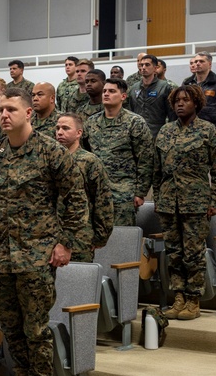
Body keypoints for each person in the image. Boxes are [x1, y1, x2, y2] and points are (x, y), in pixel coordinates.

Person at [0, 88, 90, 376]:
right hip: (2, 253)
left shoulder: (51, 152)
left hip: (37, 252)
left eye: (11, 109)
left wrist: (65, 243)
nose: (3, 115)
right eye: (0, 109)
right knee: (10, 326)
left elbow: (75, 200)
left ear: (29, 114)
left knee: (36, 327)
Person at [154, 85, 216, 321]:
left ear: (196, 103)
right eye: (176, 101)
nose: (180, 104)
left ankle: (194, 299)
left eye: (185, 100)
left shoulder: (208, 131)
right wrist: (157, 197)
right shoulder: (164, 132)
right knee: (173, 253)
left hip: (195, 202)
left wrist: (215, 201)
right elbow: (157, 170)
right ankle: (179, 297)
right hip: (167, 202)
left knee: (193, 254)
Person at [86, 78, 153, 226]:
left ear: (123, 96)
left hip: (123, 193)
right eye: (104, 91)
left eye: (111, 91)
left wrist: (140, 192)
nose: (106, 94)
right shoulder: (91, 122)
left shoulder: (135, 122)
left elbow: (146, 159)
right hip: (96, 192)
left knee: (121, 240)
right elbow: (85, 154)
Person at [54, 112, 114, 262]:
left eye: (66, 128)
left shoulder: (89, 161)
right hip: (52, 234)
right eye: (57, 128)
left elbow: (103, 200)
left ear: (79, 133)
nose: (60, 132)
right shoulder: (51, 160)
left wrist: (100, 236)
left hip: (80, 236)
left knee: (78, 282)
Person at [183, 53, 216, 148]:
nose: (198, 63)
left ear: (210, 64)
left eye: (201, 61)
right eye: (196, 61)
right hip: (189, 133)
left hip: (212, 134)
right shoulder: (187, 83)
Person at [128, 54, 173, 138]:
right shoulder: (134, 88)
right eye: (141, 65)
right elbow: (130, 111)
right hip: (137, 134)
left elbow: (171, 113)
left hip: (157, 133)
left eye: (147, 65)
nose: (143, 67)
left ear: (155, 68)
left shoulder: (164, 87)